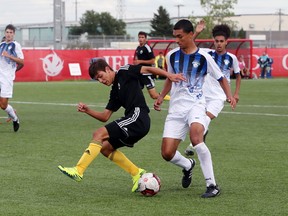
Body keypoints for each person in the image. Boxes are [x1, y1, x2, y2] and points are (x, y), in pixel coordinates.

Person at [58, 59, 185, 192]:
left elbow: (148, 69)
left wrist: (168, 75)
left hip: (138, 117)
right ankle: (137, 173)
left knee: (98, 134)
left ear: (108, 69)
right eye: (97, 80)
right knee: (105, 147)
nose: (101, 81)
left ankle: (79, 170)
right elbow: (105, 116)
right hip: (134, 120)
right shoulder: (114, 91)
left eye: (100, 76)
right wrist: (88, 110)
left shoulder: (125, 71)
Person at [154, 19, 236, 198]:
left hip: (196, 105)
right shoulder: (172, 56)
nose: (177, 40)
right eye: (175, 36)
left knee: (197, 136)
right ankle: (187, 165)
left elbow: (221, 78)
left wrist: (229, 96)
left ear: (191, 35)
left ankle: (212, 184)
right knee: (167, 153)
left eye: (180, 36)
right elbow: (169, 78)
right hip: (176, 109)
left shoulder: (205, 57)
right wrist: (161, 96)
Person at [184, 22, 241, 156]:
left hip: (219, 96)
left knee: (206, 118)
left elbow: (238, 76)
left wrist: (235, 94)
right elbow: (189, 44)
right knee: (199, 119)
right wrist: (197, 32)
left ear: (227, 42)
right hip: (203, 94)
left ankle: (192, 145)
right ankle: (202, 134)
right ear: (213, 42)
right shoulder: (207, 54)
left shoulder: (232, 58)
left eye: (221, 41)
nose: (219, 44)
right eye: (216, 41)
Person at [0, 24, 24, 132]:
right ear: (4, 33)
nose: (9, 34)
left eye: (11, 32)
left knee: (3, 105)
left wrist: (9, 56)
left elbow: (22, 62)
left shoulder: (16, 45)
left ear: (14, 34)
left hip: (7, 79)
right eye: (7, 32)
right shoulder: (1, 45)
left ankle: (15, 118)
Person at [134, 31, 170, 100]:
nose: (141, 39)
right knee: (135, 91)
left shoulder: (147, 47)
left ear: (145, 39)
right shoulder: (138, 48)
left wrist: (140, 61)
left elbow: (153, 60)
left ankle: (169, 98)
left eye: (142, 37)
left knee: (153, 95)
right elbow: (138, 60)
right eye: (139, 37)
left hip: (148, 74)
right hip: (140, 73)